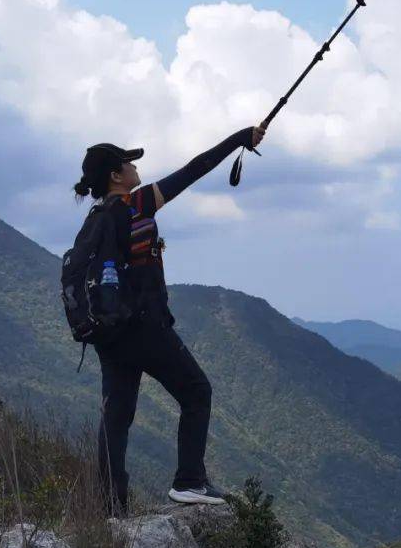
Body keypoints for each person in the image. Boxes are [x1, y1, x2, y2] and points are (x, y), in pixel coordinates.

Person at [73, 123, 266, 514]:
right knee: (197, 391)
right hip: (144, 326)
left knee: (117, 415)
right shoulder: (135, 204)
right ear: (116, 175)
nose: (134, 167)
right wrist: (239, 139)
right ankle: (189, 481)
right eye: (128, 162)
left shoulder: (94, 220)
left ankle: (110, 508)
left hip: (109, 333)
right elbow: (195, 169)